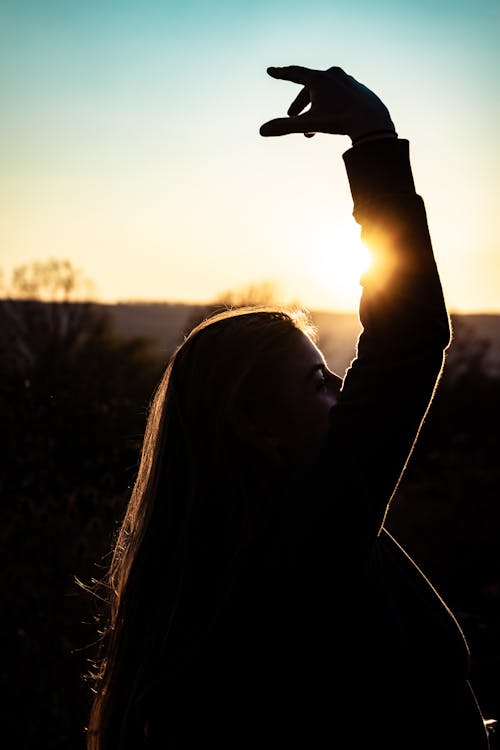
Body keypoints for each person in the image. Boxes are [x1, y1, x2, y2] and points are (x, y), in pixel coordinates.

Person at [85, 66, 492, 749]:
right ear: (255, 427)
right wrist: (372, 137)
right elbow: (407, 343)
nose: (343, 392)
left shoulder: (222, 565)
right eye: (316, 383)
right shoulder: (303, 542)